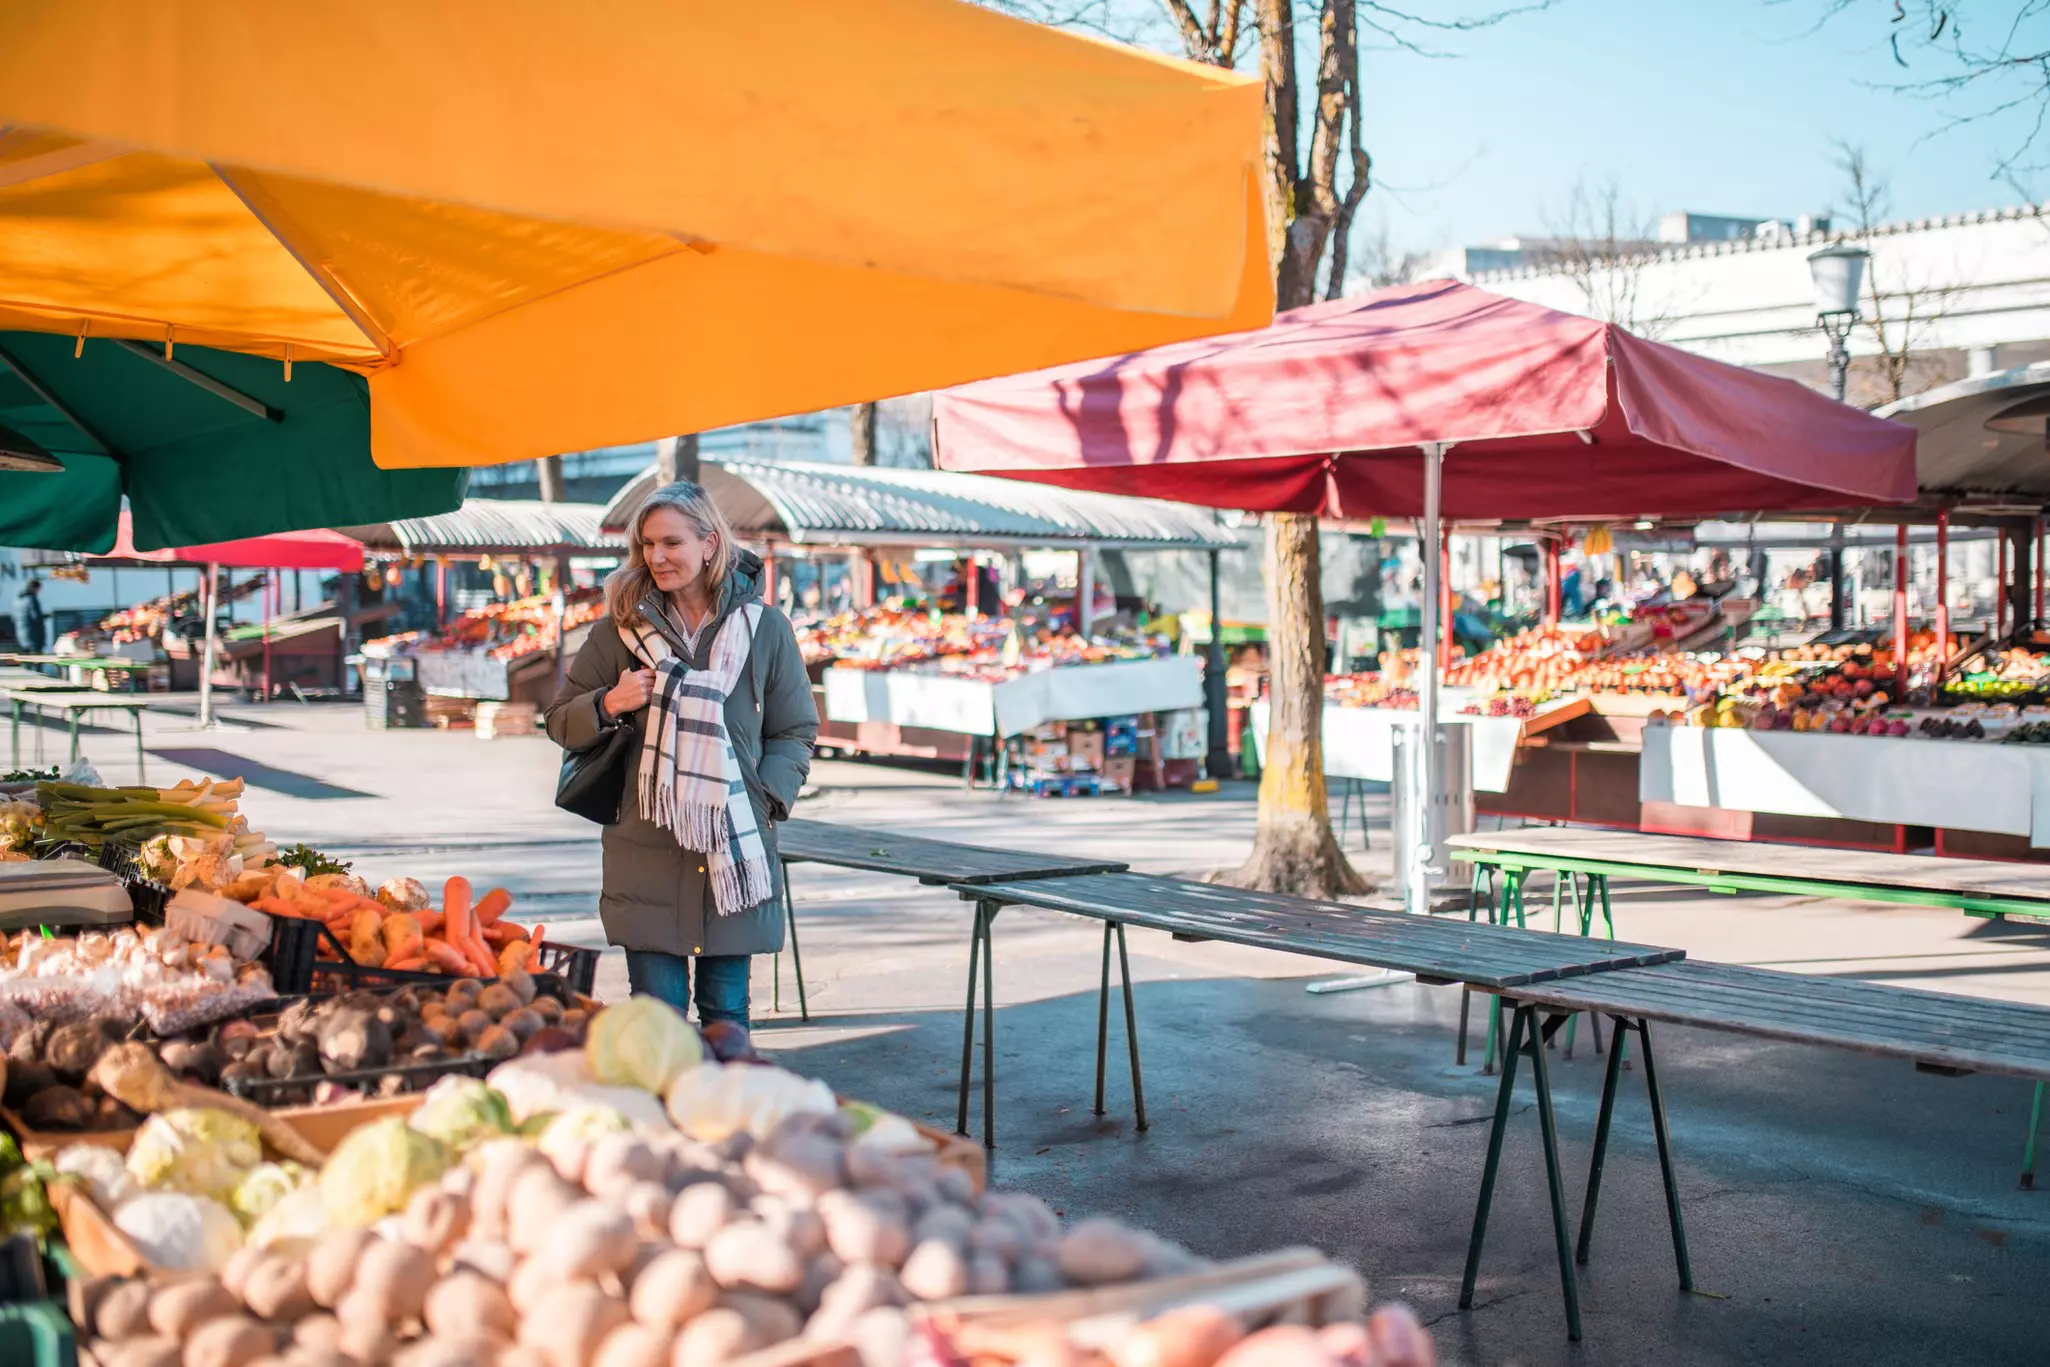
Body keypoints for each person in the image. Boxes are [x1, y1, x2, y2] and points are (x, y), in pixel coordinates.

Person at [544, 482, 817, 1029]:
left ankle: (724, 1116)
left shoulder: (765, 631)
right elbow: (559, 721)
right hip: (646, 852)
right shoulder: (618, 633)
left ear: (710, 543)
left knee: (726, 1018)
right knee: (658, 1023)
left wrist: (763, 799)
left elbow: (795, 731)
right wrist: (610, 701)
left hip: (733, 847)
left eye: (671, 542)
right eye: (647, 545)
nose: (657, 557)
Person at [12, 578, 46, 655]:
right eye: (39, 589)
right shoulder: (32, 599)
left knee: (26, 661)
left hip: (21, 636)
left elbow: (15, 617)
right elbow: (36, 617)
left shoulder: (17, 599)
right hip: (33, 637)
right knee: (36, 661)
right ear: (35, 588)